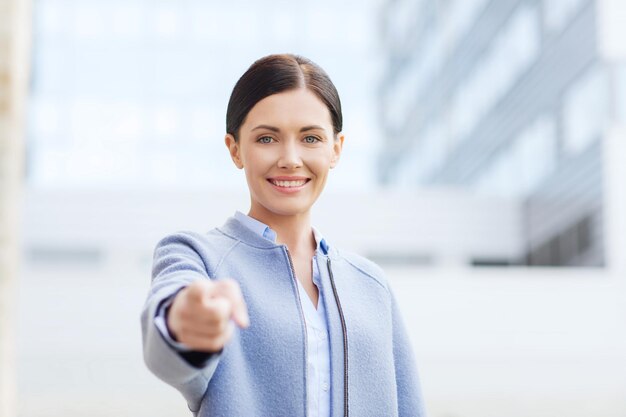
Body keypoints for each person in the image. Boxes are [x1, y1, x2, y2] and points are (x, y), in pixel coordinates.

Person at [141, 53, 426, 417]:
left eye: (310, 138)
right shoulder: (197, 257)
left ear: (335, 149)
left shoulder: (372, 286)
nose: (290, 158)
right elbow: (165, 345)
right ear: (235, 149)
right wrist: (182, 321)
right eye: (266, 139)